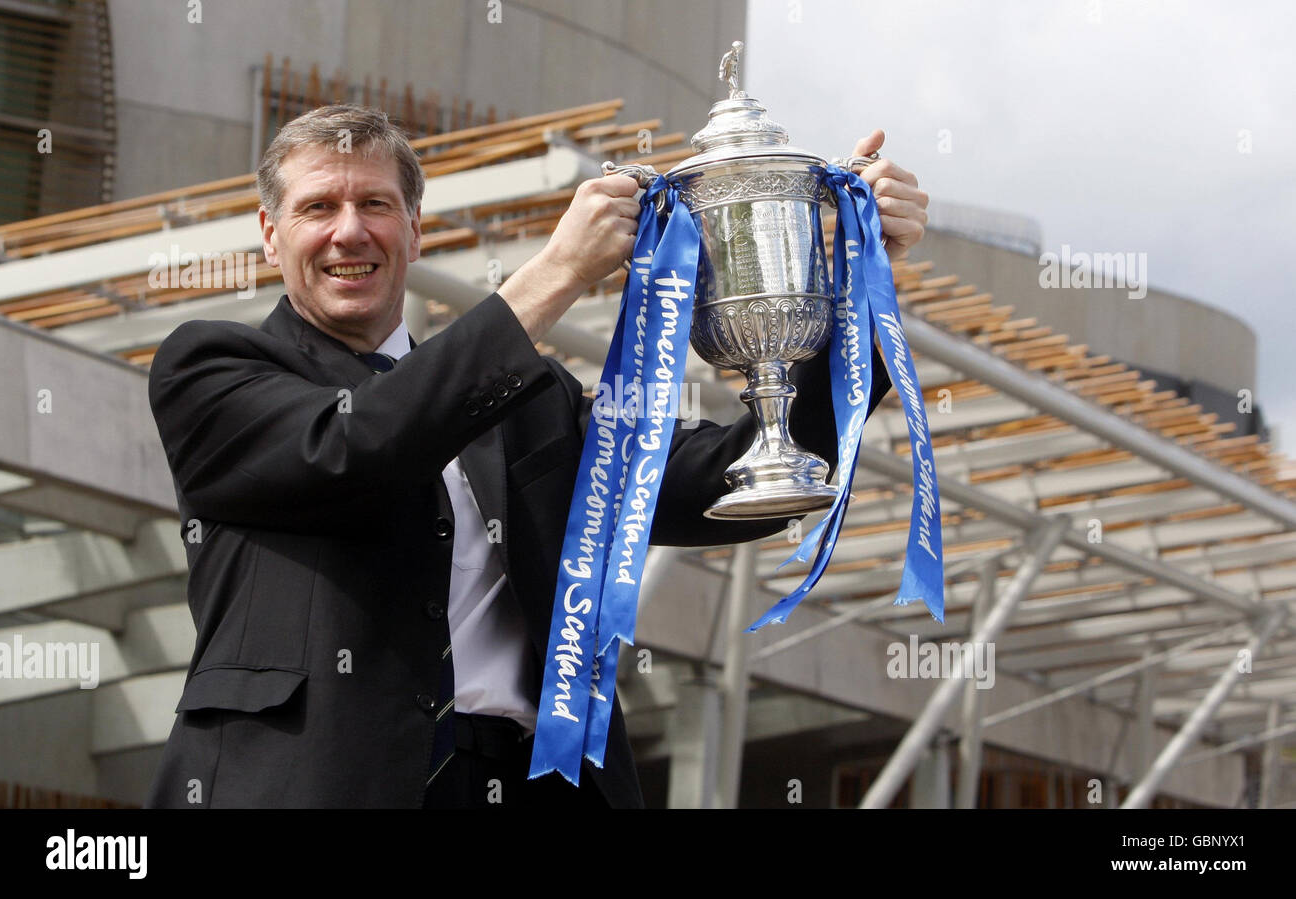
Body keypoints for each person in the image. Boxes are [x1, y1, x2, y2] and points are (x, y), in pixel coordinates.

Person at [144, 104, 927, 808]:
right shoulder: (210, 370)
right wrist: (558, 272)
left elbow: (722, 477)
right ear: (271, 232)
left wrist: (866, 282)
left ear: (415, 230)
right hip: (316, 784)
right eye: (319, 206)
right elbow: (359, 448)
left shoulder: (528, 396)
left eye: (376, 204)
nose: (350, 231)